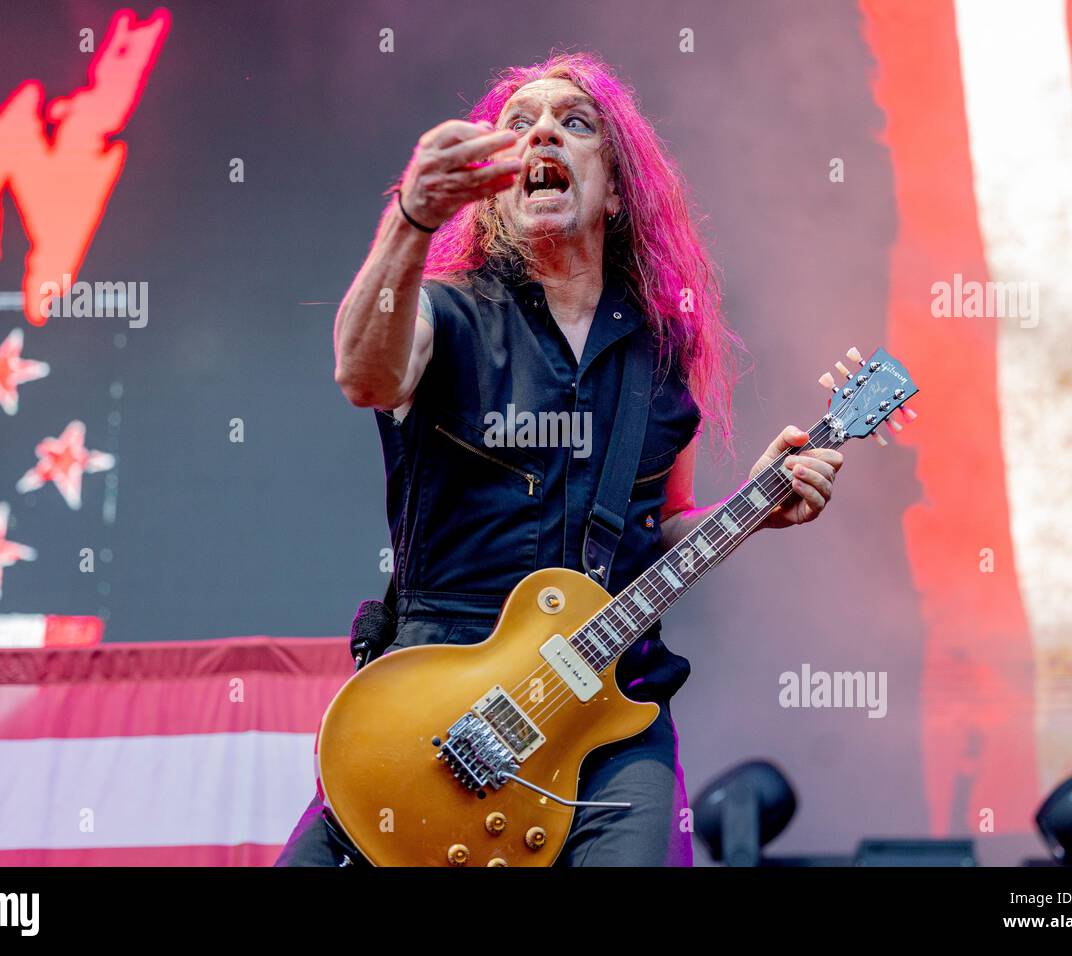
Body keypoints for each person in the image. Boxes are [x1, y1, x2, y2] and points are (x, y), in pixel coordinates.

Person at [277, 52, 844, 867]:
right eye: (520, 124)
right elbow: (363, 373)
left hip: (608, 712)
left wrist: (753, 508)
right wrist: (411, 218)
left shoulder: (659, 352)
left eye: (575, 123)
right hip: (439, 710)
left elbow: (664, 526)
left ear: (615, 191)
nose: (543, 128)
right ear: (493, 192)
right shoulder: (445, 315)